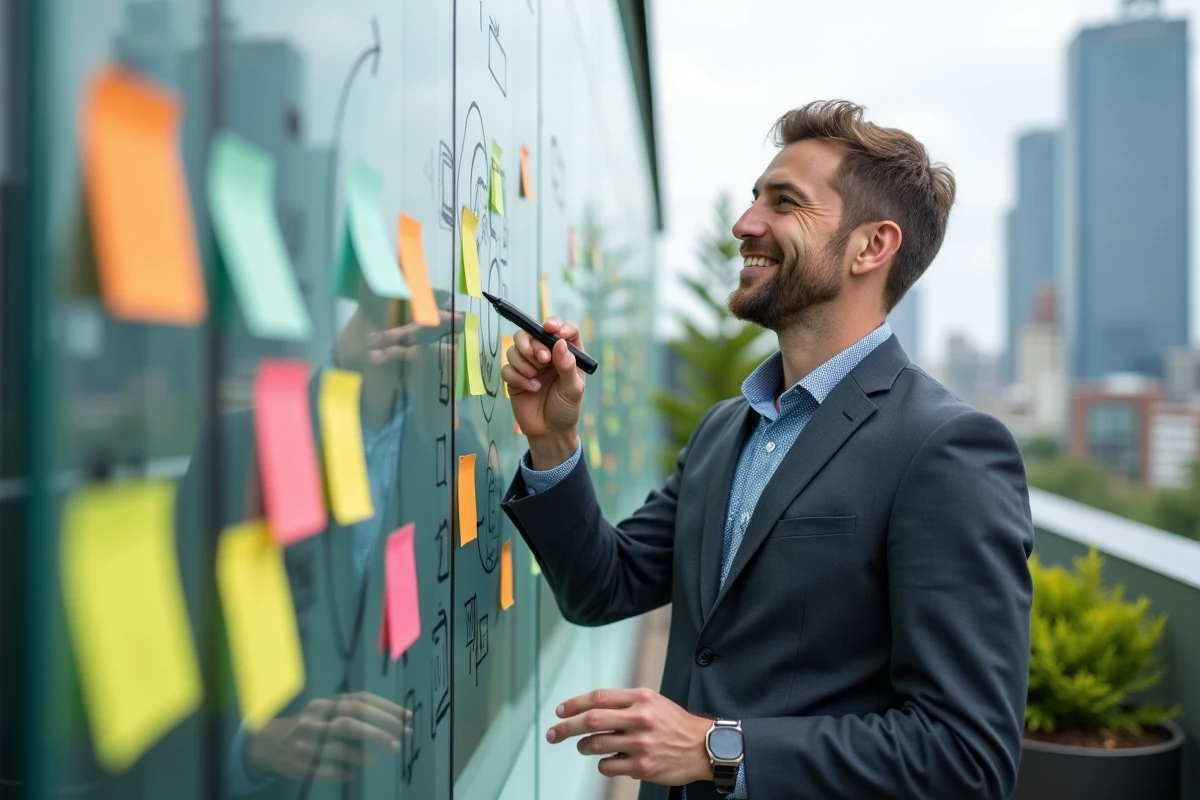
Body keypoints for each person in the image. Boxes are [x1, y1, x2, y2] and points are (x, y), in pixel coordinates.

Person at [499, 100, 1034, 800]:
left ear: (872, 247)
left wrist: (716, 748)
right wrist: (553, 440)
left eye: (784, 202)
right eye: (756, 197)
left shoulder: (948, 449)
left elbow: (966, 757)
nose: (744, 223)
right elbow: (604, 586)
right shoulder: (725, 430)